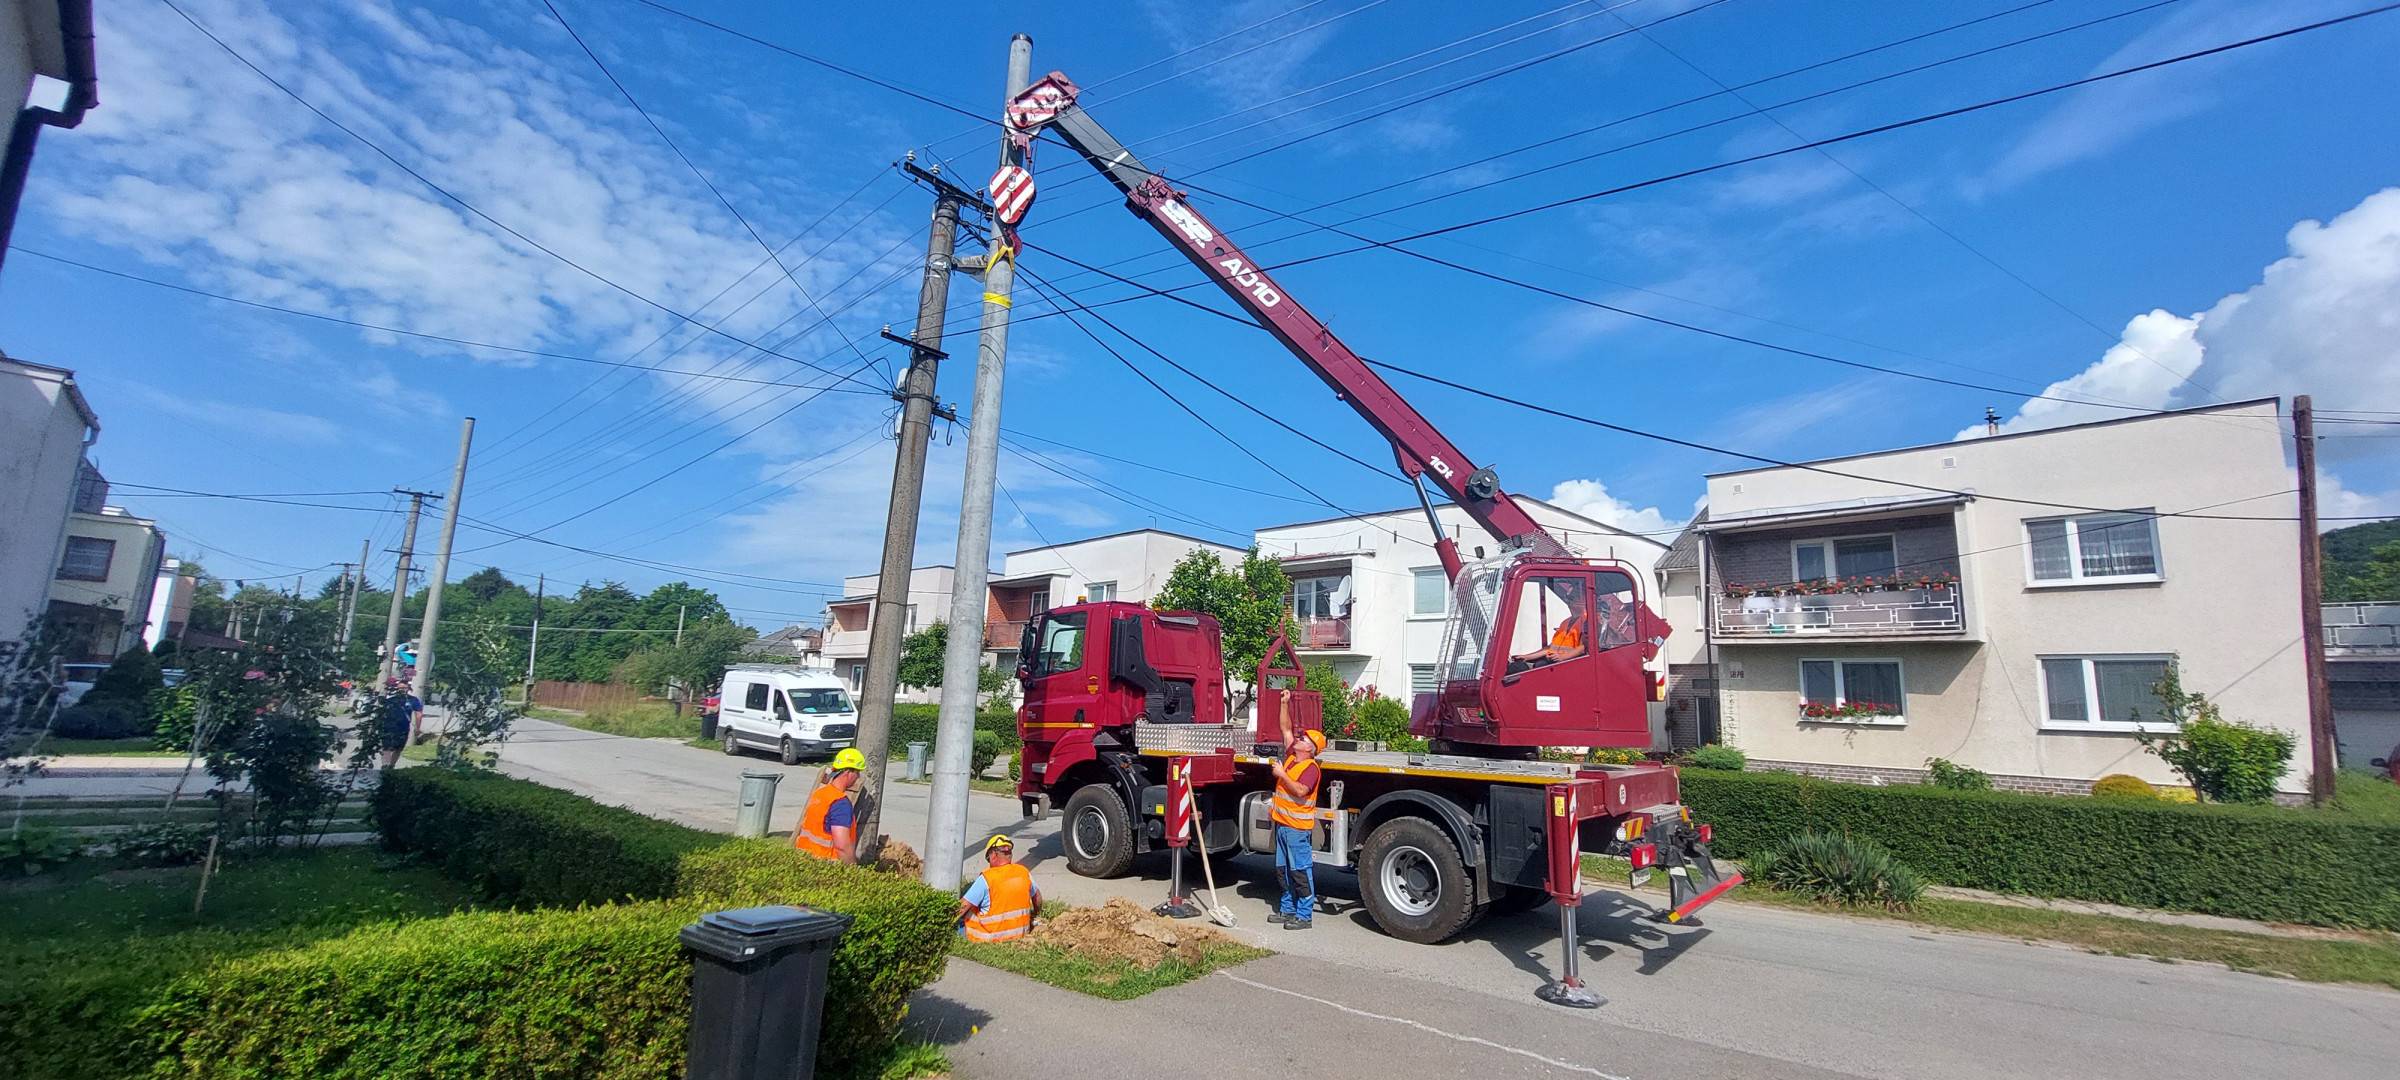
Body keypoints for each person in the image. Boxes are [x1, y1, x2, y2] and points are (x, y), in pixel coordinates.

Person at [1269, 694, 1324, 930]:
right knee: (1283, 871)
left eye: (1304, 738)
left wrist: (1281, 775)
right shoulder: (1293, 757)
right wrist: (1284, 703)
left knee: (1300, 872)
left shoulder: (1310, 768)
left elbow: (1301, 790)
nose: (1299, 738)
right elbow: (1285, 727)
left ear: (1310, 749)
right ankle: (1287, 909)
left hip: (1297, 830)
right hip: (1283, 825)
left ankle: (1304, 916)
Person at [958, 834, 1041, 942]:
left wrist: (944, 920)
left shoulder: (986, 878)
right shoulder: (1023, 872)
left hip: (988, 937)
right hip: (1019, 934)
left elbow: (962, 907)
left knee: (963, 917)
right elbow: (1038, 899)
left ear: (993, 855)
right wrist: (1035, 913)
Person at [794, 747, 866, 861]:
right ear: (848, 772)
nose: (858, 777)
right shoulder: (840, 803)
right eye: (857, 772)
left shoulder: (820, 794)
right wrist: (853, 871)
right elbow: (842, 846)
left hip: (803, 859)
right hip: (826, 865)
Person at [1511, 578, 1589, 668]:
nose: (1568, 601)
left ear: (1582, 600)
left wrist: (1563, 657)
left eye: (1571, 598)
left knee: (1538, 667)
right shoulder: (1565, 622)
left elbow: (1584, 647)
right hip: (1556, 661)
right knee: (1520, 666)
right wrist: (1526, 657)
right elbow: (1551, 648)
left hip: (1571, 664)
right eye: (1567, 598)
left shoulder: (1587, 621)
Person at [377, 678, 421, 770]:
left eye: (404, 688)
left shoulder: (413, 700)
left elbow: (419, 714)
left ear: (408, 689)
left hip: (403, 728)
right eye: (400, 688)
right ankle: (385, 765)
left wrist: (417, 727)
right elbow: (382, 713)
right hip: (388, 726)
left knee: (398, 748)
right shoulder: (390, 700)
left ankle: (391, 765)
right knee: (387, 747)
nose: (402, 690)